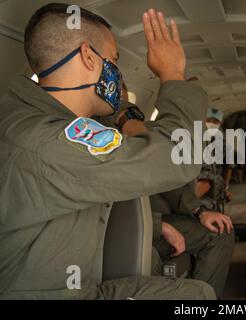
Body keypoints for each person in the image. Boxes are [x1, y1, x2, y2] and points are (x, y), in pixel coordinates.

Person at [0, 4, 215, 300]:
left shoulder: (27, 118)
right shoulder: (48, 141)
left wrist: (125, 114)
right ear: (89, 57)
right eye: (114, 61)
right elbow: (178, 156)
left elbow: (105, 119)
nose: (117, 73)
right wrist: (173, 76)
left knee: (198, 294)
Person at [150, 181, 235, 298]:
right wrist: (158, 226)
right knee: (217, 236)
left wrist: (200, 211)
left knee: (220, 230)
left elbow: (161, 177)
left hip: (148, 217)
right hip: (130, 228)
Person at [196, 107, 232, 213]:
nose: (211, 123)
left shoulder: (224, 144)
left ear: (220, 123)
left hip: (216, 186)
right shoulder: (196, 139)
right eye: (209, 120)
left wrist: (225, 188)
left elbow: (228, 167)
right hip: (199, 189)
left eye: (215, 121)